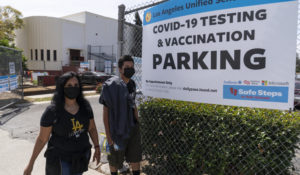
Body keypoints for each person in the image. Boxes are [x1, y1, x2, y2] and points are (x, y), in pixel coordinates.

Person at [23, 71, 100, 175]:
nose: (73, 87)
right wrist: (30, 164)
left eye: (76, 85)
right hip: (60, 162)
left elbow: (92, 128)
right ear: (62, 88)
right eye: (69, 85)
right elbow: (42, 139)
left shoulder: (85, 107)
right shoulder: (52, 111)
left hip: (80, 159)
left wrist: (97, 147)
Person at [99, 55, 142, 175]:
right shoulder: (111, 85)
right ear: (120, 69)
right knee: (114, 160)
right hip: (117, 130)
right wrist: (108, 135)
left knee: (135, 158)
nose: (130, 69)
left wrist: (137, 122)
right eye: (127, 67)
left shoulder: (132, 84)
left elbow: (133, 104)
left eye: (132, 67)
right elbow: (105, 111)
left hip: (133, 128)